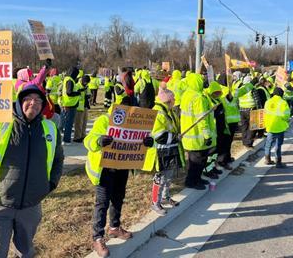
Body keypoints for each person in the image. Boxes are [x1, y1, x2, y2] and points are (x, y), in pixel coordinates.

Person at [0, 84, 64, 258]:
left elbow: (58, 159)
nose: (33, 103)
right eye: (27, 99)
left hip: (31, 207)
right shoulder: (1, 124)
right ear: (19, 101)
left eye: (38, 100)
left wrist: (50, 184)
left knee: (25, 252)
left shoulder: (50, 129)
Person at [84, 96, 154, 258]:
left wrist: (149, 143)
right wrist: (99, 141)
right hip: (104, 170)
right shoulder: (104, 120)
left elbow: (144, 144)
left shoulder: (137, 125)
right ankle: (98, 238)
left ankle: (114, 227)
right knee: (102, 203)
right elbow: (88, 141)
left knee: (118, 198)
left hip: (122, 167)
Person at [143, 86, 184, 216]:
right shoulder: (158, 112)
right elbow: (159, 135)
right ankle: (155, 202)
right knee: (160, 177)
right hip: (160, 151)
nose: (175, 101)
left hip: (170, 149)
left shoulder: (168, 111)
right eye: (173, 99)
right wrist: (175, 138)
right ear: (168, 100)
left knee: (169, 176)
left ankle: (166, 197)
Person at [180, 73, 214, 190]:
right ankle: (191, 181)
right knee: (198, 161)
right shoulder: (198, 98)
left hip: (189, 135)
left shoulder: (186, 95)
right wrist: (207, 135)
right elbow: (202, 119)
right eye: (202, 80)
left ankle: (197, 179)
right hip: (197, 136)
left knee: (193, 160)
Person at [264, 87, 290, 168]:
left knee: (268, 144)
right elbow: (286, 115)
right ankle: (278, 162)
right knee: (278, 145)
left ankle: (267, 160)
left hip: (270, 127)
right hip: (279, 127)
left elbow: (264, 113)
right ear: (281, 94)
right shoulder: (283, 102)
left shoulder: (268, 101)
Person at [61, 67, 81, 145]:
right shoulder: (70, 80)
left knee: (67, 123)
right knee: (68, 123)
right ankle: (66, 140)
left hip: (68, 104)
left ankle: (65, 139)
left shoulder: (67, 79)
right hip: (70, 104)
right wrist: (77, 93)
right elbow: (69, 92)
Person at [238, 75, 258, 148]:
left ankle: (244, 141)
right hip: (251, 109)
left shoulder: (240, 89)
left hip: (242, 110)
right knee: (253, 127)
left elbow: (237, 99)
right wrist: (259, 109)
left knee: (244, 127)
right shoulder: (252, 89)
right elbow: (257, 100)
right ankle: (248, 142)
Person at [73, 75, 91, 143]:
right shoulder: (77, 86)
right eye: (85, 82)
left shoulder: (87, 86)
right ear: (82, 80)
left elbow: (89, 93)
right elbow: (76, 95)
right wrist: (81, 91)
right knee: (78, 123)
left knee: (84, 122)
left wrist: (88, 95)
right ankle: (77, 137)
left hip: (85, 106)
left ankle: (83, 135)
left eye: (87, 82)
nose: (86, 83)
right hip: (79, 107)